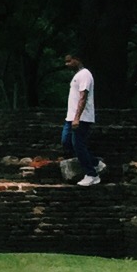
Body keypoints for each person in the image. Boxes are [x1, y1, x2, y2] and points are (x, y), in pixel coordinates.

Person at [62, 52, 102, 187]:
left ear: (77, 59)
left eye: (69, 61)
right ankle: (95, 163)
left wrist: (77, 118)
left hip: (81, 117)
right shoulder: (77, 75)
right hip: (71, 117)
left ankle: (92, 175)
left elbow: (83, 96)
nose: (66, 64)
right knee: (66, 142)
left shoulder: (85, 74)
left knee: (78, 145)